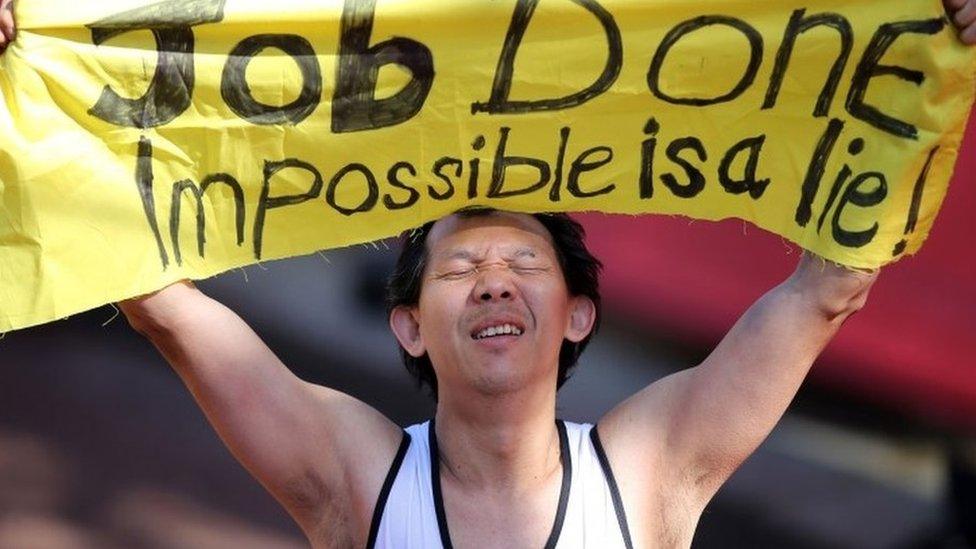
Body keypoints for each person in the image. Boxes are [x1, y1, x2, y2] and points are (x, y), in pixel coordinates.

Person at [2, 2, 974, 547]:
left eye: (524, 265)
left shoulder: (648, 467)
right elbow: (159, 302)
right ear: (409, 326)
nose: (495, 282)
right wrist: (33, 97)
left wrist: (941, 50)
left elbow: (826, 289)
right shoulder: (356, 476)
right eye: (461, 267)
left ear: (580, 315)